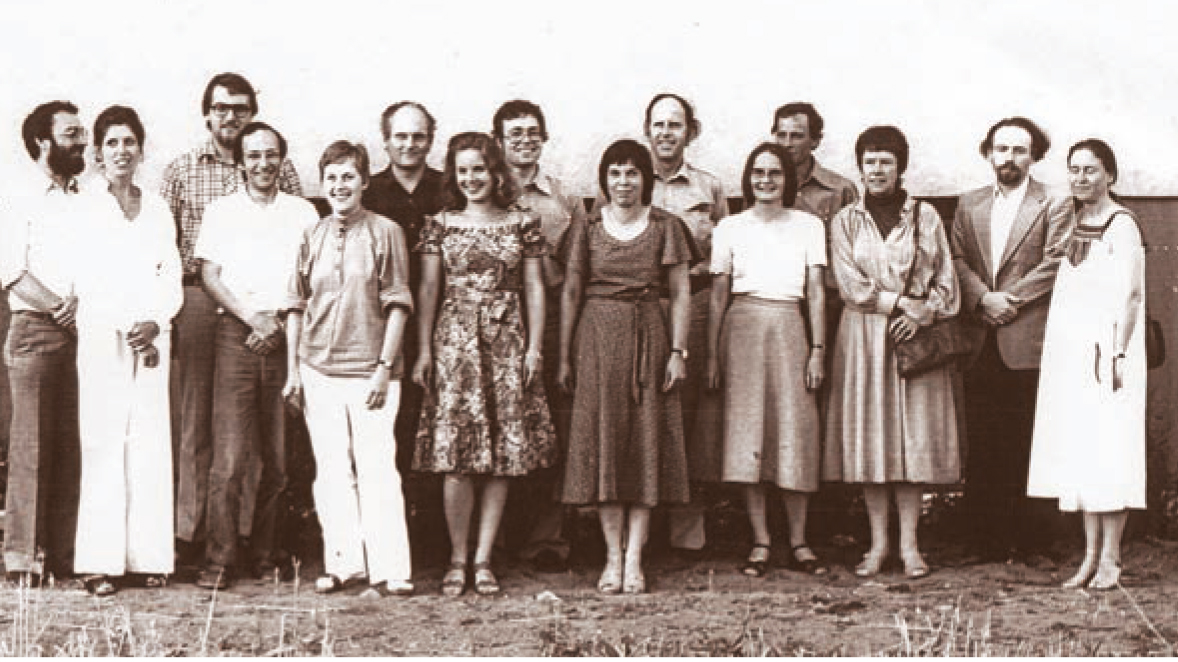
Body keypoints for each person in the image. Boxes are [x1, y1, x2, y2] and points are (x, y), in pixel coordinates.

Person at [161, 72, 303, 567]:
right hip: (211, 311)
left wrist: (275, 320)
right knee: (211, 434)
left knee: (270, 445)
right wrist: (247, 317)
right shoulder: (191, 178)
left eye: (240, 108)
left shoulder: (294, 196)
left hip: (280, 322)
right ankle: (201, 542)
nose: (230, 116)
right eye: (221, 108)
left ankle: (257, 544)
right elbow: (181, 256)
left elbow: (303, 265)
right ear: (208, 115)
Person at [412, 132, 556, 597]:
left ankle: (484, 559)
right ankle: (457, 558)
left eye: (479, 169)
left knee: (500, 458)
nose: (471, 178)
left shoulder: (522, 223)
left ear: (496, 173)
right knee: (457, 457)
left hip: (507, 343)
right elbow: (429, 290)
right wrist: (424, 350)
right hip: (456, 347)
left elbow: (534, 287)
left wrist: (534, 348)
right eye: (462, 170)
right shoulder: (440, 224)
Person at [558, 139, 699, 594]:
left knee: (644, 443)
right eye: (615, 173)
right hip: (597, 338)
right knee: (605, 443)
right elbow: (571, 291)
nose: (623, 182)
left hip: (649, 337)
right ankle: (612, 557)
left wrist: (678, 351)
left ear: (646, 179)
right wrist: (564, 354)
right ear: (604, 180)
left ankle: (635, 557)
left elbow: (680, 292)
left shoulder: (666, 226)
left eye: (632, 173)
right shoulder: (586, 226)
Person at [823, 126, 961, 579]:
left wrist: (924, 313)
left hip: (914, 339)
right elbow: (850, 286)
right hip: (864, 336)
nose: (877, 170)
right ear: (859, 167)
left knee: (911, 440)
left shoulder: (925, 216)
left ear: (901, 167)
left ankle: (910, 546)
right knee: (872, 440)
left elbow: (946, 281)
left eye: (886, 161)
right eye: (870, 161)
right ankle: (878, 544)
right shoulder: (845, 220)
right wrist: (901, 303)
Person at [282, 141, 416, 598]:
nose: (340, 186)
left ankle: (391, 568)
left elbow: (398, 304)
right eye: (332, 177)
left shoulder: (385, 232)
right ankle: (343, 564)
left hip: (370, 371)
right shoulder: (311, 234)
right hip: (318, 368)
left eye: (348, 176)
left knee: (378, 467)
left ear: (364, 182)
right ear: (323, 184)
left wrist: (384, 367)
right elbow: (296, 305)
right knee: (332, 470)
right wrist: (294, 371)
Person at [192, 123, 319, 589]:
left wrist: (279, 325)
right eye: (253, 155)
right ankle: (220, 560)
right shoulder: (221, 211)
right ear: (241, 162)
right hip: (236, 335)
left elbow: (312, 279)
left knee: (279, 459)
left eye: (271, 154)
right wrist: (251, 318)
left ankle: (269, 555)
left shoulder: (303, 212)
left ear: (282, 158)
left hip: (287, 334)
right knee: (228, 459)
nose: (263, 163)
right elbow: (209, 275)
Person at [950, 118, 1074, 562]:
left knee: (1028, 439)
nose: (1009, 158)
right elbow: (957, 258)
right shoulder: (969, 203)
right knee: (984, 439)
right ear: (988, 153)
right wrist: (983, 298)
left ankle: (1032, 542)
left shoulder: (1055, 202)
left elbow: (1057, 260)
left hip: (1026, 338)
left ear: (1034, 156)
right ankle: (983, 541)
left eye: (1020, 150)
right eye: (1001, 149)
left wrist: (1010, 301)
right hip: (981, 336)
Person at [71, 106, 182, 596]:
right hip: (103, 334)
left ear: (141, 149)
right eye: (112, 143)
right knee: (103, 441)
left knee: (150, 441)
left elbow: (170, 272)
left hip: (153, 335)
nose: (122, 151)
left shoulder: (156, 207)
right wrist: (126, 324)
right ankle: (98, 562)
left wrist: (155, 321)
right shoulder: (84, 208)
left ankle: (149, 558)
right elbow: (87, 277)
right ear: (98, 153)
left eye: (129, 142)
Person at [1027, 139, 1146, 591]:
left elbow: (1131, 295)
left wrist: (1118, 354)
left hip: (1109, 357)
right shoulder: (1074, 222)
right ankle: (1090, 555)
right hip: (1073, 357)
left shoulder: (1122, 224)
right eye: (1074, 169)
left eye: (1091, 170)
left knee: (1110, 452)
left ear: (1109, 175)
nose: (1081, 178)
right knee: (1082, 453)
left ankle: (1112, 557)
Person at [705, 143, 827, 577]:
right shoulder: (730, 227)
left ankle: (799, 541)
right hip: (742, 329)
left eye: (775, 173)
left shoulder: (809, 226)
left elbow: (816, 291)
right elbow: (718, 294)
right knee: (748, 435)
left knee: (795, 430)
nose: (766, 180)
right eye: (758, 172)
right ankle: (760, 541)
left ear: (787, 179)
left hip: (790, 327)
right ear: (748, 177)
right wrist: (712, 353)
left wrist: (817, 349)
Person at [492, 99, 587, 572]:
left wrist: (564, 341)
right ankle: (495, 539)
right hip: (494, 324)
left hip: (549, 321)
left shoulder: (563, 198)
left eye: (533, 131)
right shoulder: (484, 191)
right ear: (498, 142)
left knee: (552, 425)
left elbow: (575, 273)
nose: (525, 140)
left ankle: (547, 538)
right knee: (499, 422)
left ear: (544, 138)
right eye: (515, 133)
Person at [0, 101, 87, 582]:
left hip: (81, 332)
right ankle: (22, 560)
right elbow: (10, 271)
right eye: (71, 134)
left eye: (81, 133)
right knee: (30, 446)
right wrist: (58, 307)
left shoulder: (83, 196)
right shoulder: (18, 195)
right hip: (35, 330)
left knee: (70, 446)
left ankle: (61, 556)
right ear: (42, 141)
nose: (82, 142)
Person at [642, 93, 728, 552]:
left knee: (688, 411)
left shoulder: (708, 188)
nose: (665, 133)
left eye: (675, 125)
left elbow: (725, 254)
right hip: (641, 304)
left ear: (691, 132)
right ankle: (641, 524)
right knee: (642, 407)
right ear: (646, 130)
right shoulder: (627, 179)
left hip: (692, 303)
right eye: (658, 124)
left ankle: (686, 528)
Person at [362, 101, 444, 475]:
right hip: (381, 324)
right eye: (400, 136)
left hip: (440, 321)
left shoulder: (450, 189)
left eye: (418, 136)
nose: (409, 144)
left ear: (430, 140)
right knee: (386, 422)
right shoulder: (368, 192)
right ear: (385, 140)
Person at [771, 102, 859, 403]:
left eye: (796, 135)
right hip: (781, 303)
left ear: (815, 141)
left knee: (829, 388)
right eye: (781, 134)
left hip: (830, 304)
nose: (787, 143)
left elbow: (856, 252)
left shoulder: (840, 190)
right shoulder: (763, 185)